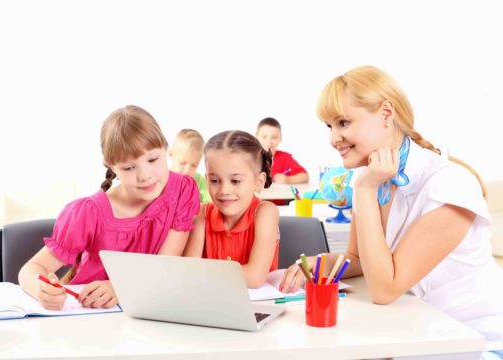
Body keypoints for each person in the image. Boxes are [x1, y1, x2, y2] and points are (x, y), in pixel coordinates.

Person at [280, 65, 503, 357]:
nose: (333, 138)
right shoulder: (372, 178)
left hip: (474, 342)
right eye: (329, 126)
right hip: (417, 331)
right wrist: (314, 264)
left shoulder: (448, 183)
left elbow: (385, 290)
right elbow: (357, 259)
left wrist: (364, 190)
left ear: (386, 114)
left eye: (343, 122)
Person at [19, 105, 200, 310]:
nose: (145, 175)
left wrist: (121, 287)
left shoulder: (181, 191)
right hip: (93, 316)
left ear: (167, 149)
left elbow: (165, 265)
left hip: (148, 309)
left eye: (153, 159)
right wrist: (42, 290)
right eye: (129, 167)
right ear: (111, 165)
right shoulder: (88, 213)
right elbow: (29, 270)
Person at [183, 130, 279, 288]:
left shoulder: (265, 212)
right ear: (206, 179)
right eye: (215, 180)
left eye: (235, 181)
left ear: (259, 181)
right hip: (210, 303)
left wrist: (202, 272)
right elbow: (189, 271)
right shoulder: (202, 213)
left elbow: (254, 278)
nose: (224, 190)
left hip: (258, 306)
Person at [255, 117, 309, 184]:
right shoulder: (250, 157)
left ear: (280, 138)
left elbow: (305, 176)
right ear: (256, 137)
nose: (269, 141)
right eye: (264, 137)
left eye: (274, 137)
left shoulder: (285, 158)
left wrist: (288, 179)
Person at [169, 128, 211, 203]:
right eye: (183, 163)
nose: (187, 170)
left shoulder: (200, 181)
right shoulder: (162, 179)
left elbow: (209, 203)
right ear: (171, 155)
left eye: (194, 165)